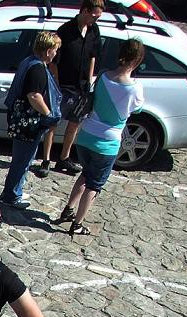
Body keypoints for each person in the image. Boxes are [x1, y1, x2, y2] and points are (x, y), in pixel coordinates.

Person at [54, 38, 145, 236]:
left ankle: (68, 209)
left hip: (86, 135)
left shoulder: (103, 75)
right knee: (94, 185)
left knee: (85, 174)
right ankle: (77, 223)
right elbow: (137, 109)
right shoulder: (135, 88)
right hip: (107, 142)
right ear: (137, 60)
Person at [35, 0, 104, 178]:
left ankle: (64, 157)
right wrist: (57, 86)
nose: (96, 20)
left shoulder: (94, 31)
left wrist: (89, 81)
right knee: (52, 122)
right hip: (63, 86)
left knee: (75, 123)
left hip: (82, 87)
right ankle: (46, 159)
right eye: (94, 16)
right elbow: (54, 62)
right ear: (85, 11)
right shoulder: (65, 31)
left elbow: (93, 56)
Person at [0, 31, 62, 209]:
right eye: (55, 49)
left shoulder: (28, 61)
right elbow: (34, 96)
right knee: (23, 160)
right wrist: (48, 113)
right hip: (29, 123)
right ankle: (13, 195)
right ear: (48, 50)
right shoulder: (37, 68)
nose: (56, 53)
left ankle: (13, 190)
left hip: (21, 120)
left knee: (20, 158)